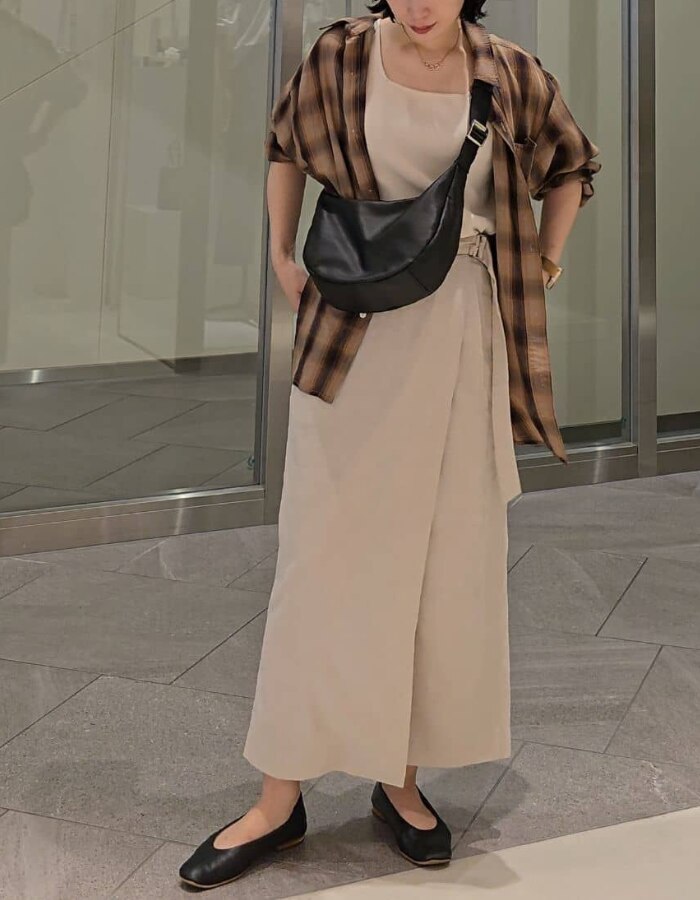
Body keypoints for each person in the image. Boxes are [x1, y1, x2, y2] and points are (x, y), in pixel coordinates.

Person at [179, 0, 601, 890]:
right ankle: (278, 797)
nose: (417, 3)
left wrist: (543, 262)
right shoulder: (341, 54)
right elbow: (286, 146)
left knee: (439, 565)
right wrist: (281, 256)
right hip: (352, 337)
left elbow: (572, 166)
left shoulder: (510, 72)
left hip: (462, 338)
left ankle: (399, 780)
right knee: (321, 559)